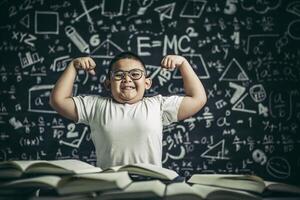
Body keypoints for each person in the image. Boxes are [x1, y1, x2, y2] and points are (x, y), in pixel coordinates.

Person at [49, 52, 207, 169]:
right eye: (119, 75)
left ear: (147, 83)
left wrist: (184, 64)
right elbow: (58, 101)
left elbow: (197, 99)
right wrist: (73, 66)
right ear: (108, 84)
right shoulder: (95, 106)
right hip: (109, 186)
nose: (127, 79)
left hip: (151, 184)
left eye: (135, 74)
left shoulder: (158, 105)